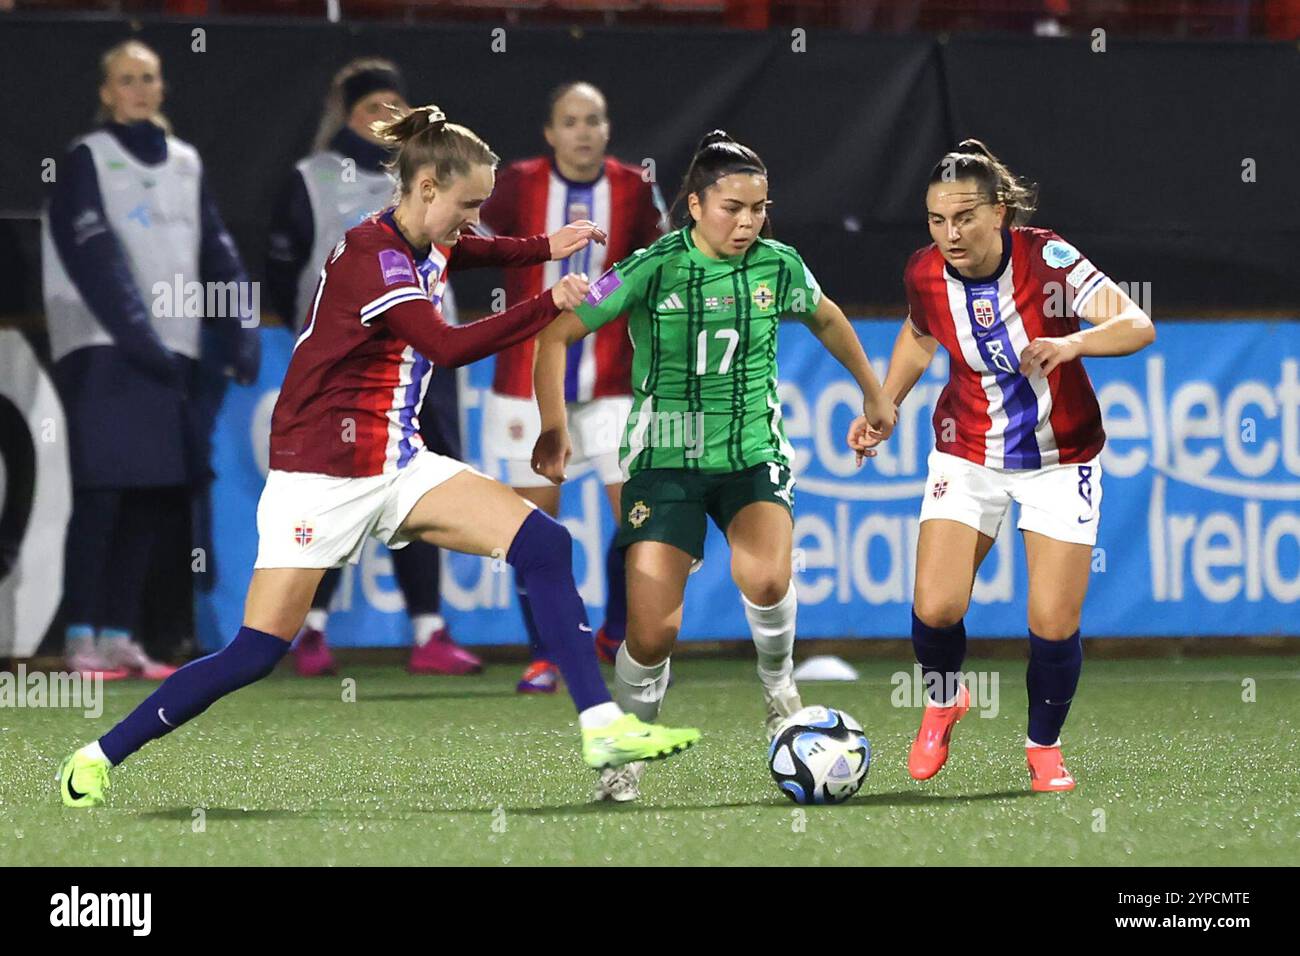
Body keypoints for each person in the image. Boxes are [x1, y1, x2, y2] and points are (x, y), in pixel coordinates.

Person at [57, 105, 699, 809]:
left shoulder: (427, 235)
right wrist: (549, 301)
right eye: (467, 205)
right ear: (425, 188)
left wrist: (543, 244)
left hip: (398, 464)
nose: (473, 220)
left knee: (544, 546)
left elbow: (474, 250)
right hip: (317, 481)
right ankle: (97, 755)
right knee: (254, 652)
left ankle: (602, 727)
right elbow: (447, 347)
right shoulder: (375, 258)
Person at [532, 131, 895, 801]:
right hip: (664, 458)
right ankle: (627, 749)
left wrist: (875, 395)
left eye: (759, 208)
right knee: (653, 629)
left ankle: (780, 688)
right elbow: (556, 335)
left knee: (764, 575)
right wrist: (554, 426)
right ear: (695, 204)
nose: (749, 221)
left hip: (751, 451)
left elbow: (829, 318)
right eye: (734, 207)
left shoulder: (779, 265)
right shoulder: (648, 267)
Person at [847, 139, 1155, 792]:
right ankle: (943, 699)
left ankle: (1043, 746)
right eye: (936, 220)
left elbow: (1135, 325)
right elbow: (920, 332)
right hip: (968, 450)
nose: (950, 234)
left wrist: (1071, 342)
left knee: (1051, 621)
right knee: (935, 606)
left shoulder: (1049, 258)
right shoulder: (924, 272)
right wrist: (885, 404)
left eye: (964, 218)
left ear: (1001, 213)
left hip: (1059, 455)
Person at [43, 39, 259, 681]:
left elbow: (217, 249)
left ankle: (119, 636)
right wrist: (141, 341)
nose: (139, 88)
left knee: (155, 497)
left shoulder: (187, 163)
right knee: (104, 494)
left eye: (149, 78)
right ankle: (80, 637)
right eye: (126, 79)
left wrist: (241, 323)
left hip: (173, 353)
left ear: (162, 88)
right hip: (104, 351)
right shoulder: (87, 159)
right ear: (106, 92)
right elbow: (95, 262)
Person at [266, 57, 478, 676]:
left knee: (430, 487)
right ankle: (310, 630)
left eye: (394, 106)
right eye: (370, 109)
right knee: (339, 494)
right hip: (353, 373)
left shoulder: (432, 174)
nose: (385, 120)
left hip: (427, 362)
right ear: (346, 115)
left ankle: (429, 631)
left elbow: (464, 248)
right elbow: (284, 273)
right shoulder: (313, 177)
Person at [478, 81, 667, 694]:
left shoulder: (634, 187)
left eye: (594, 120)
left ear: (607, 129)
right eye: (571, 121)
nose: (583, 132)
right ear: (550, 133)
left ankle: (613, 629)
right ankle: (545, 653)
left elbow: (658, 262)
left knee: (637, 516)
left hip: (614, 380)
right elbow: (474, 247)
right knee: (532, 526)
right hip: (524, 379)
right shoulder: (516, 184)